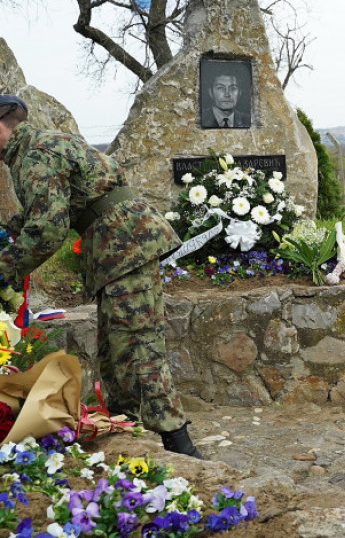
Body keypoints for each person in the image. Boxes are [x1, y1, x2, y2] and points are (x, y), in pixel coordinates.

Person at [0, 94, 202, 458]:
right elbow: (43, 211)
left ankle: (180, 444)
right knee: (116, 346)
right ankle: (127, 433)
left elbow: (47, 227)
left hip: (124, 244)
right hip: (120, 244)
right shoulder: (39, 145)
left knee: (138, 344)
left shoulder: (32, 154)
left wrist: (4, 269)